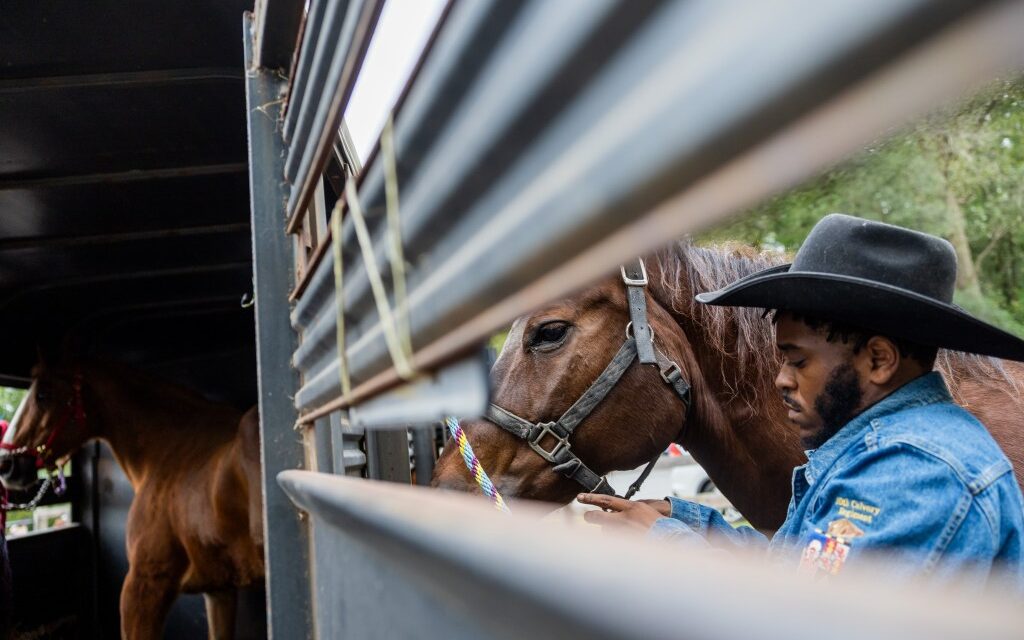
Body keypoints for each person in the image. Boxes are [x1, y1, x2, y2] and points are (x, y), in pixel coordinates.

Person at [577, 213, 1024, 587]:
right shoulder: (878, 452)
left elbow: (812, 619)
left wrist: (665, 542)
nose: (781, 380)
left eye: (798, 361)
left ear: (879, 359)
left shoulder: (914, 471)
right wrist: (690, 521)